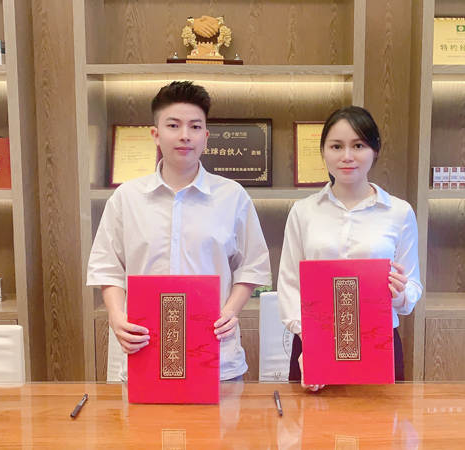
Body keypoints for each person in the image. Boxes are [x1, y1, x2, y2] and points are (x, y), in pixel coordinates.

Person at [87, 81, 271, 382]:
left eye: (195, 127)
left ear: (206, 137)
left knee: (221, 415)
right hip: (144, 352)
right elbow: (107, 267)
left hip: (215, 354)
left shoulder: (232, 196)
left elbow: (253, 265)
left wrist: (231, 310)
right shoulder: (126, 198)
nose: (185, 135)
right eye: (173, 125)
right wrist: (117, 316)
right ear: (156, 135)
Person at [277, 106, 423, 390]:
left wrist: (399, 292)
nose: (347, 156)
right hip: (311, 342)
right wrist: (312, 344)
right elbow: (290, 284)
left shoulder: (399, 212)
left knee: (380, 418)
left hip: (378, 343)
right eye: (336, 146)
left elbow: (412, 288)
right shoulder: (303, 211)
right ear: (323, 151)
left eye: (358, 145)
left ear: (375, 150)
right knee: (310, 419)